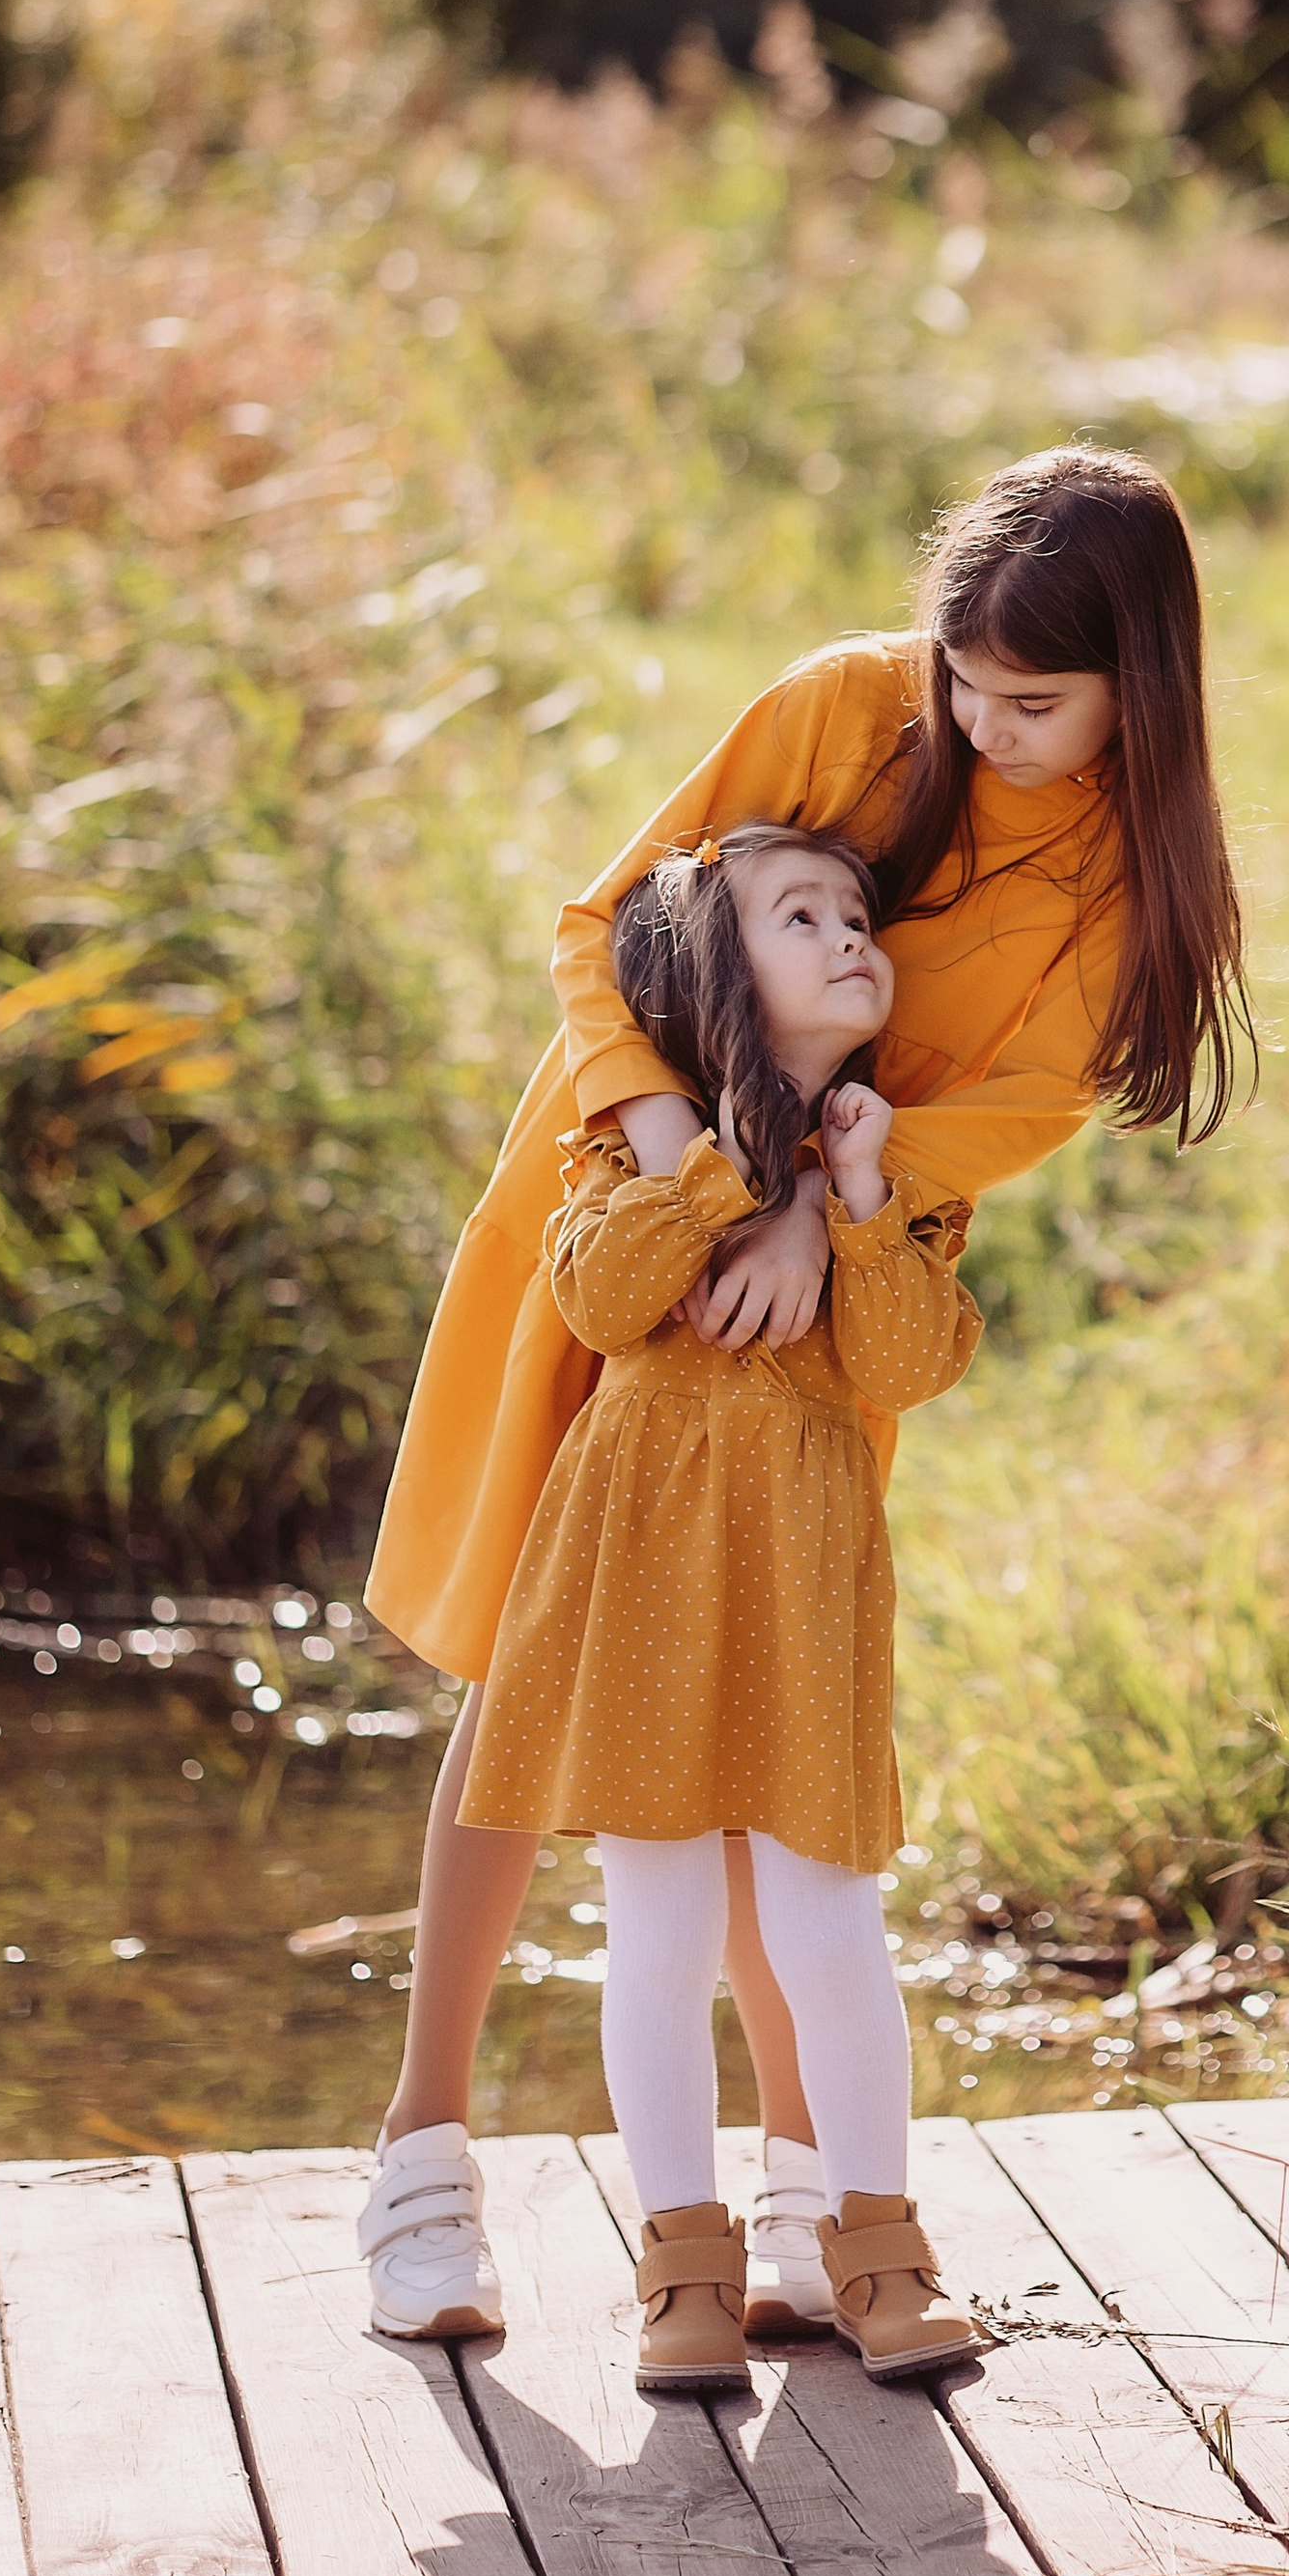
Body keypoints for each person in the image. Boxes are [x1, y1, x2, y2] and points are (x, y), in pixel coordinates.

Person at [355, 446, 1250, 2344]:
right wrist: (692, 1160)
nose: (982, 724)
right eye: (966, 684)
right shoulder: (845, 706)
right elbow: (607, 927)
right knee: (534, 1651)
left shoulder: (1120, 877)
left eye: (1034, 704)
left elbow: (1013, 1108)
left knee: (758, 1694)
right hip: (629, 1192)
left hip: (833, 1271)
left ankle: (792, 2198)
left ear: (1136, 692)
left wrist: (828, 1209)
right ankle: (421, 2159)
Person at [461, 825, 982, 2389]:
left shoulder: (891, 1170)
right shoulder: (628, 1160)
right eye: (800, 916)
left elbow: (909, 1365)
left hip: (802, 1587)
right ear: (708, 976)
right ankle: (683, 2265)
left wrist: (860, 1197)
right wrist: (725, 1177)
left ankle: (874, 2244)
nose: (849, 937)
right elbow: (600, 1298)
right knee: (660, 1926)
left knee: (830, 1920)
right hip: (639, 1585)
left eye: (856, 915)